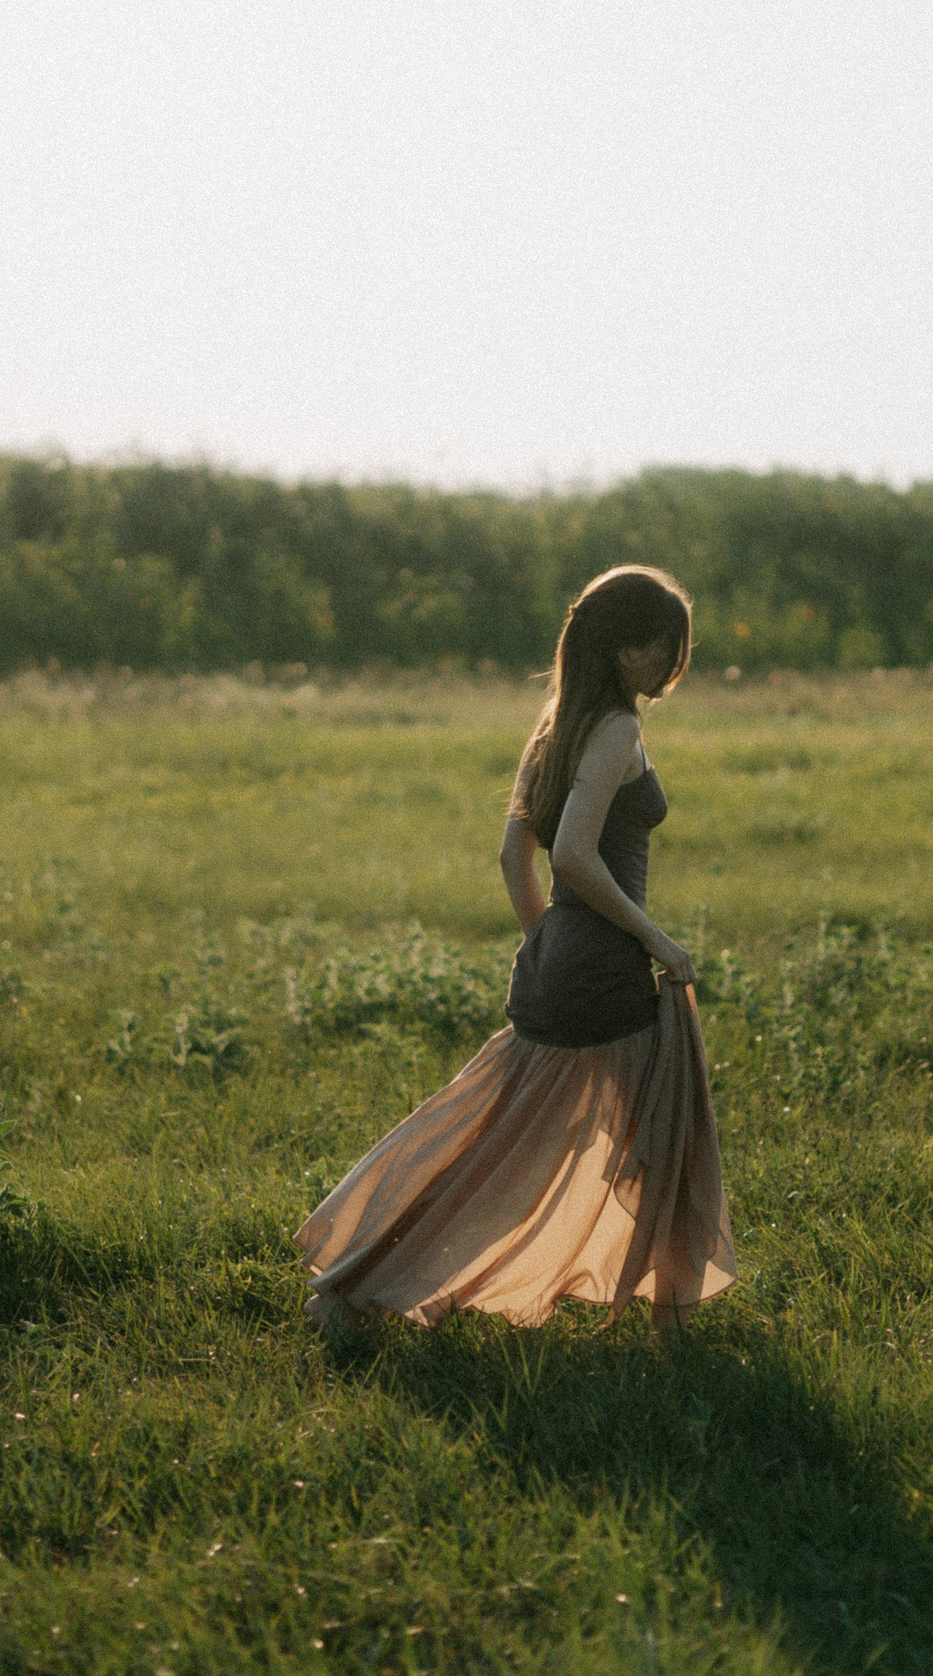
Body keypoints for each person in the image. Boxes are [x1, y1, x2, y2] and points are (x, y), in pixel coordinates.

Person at [295, 565, 736, 1334]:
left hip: (558, 959)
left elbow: (513, 858)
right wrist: (654, 938)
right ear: (622, 648)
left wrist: (548, 946)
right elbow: (572, 854)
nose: (672, 664)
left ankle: (353, 1285)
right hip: (603, 967)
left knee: (493, 1147)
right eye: (663, 647)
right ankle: (670, 1330)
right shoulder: (617, 730)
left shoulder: (553, 727)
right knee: (664, 1141)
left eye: (678, 648)